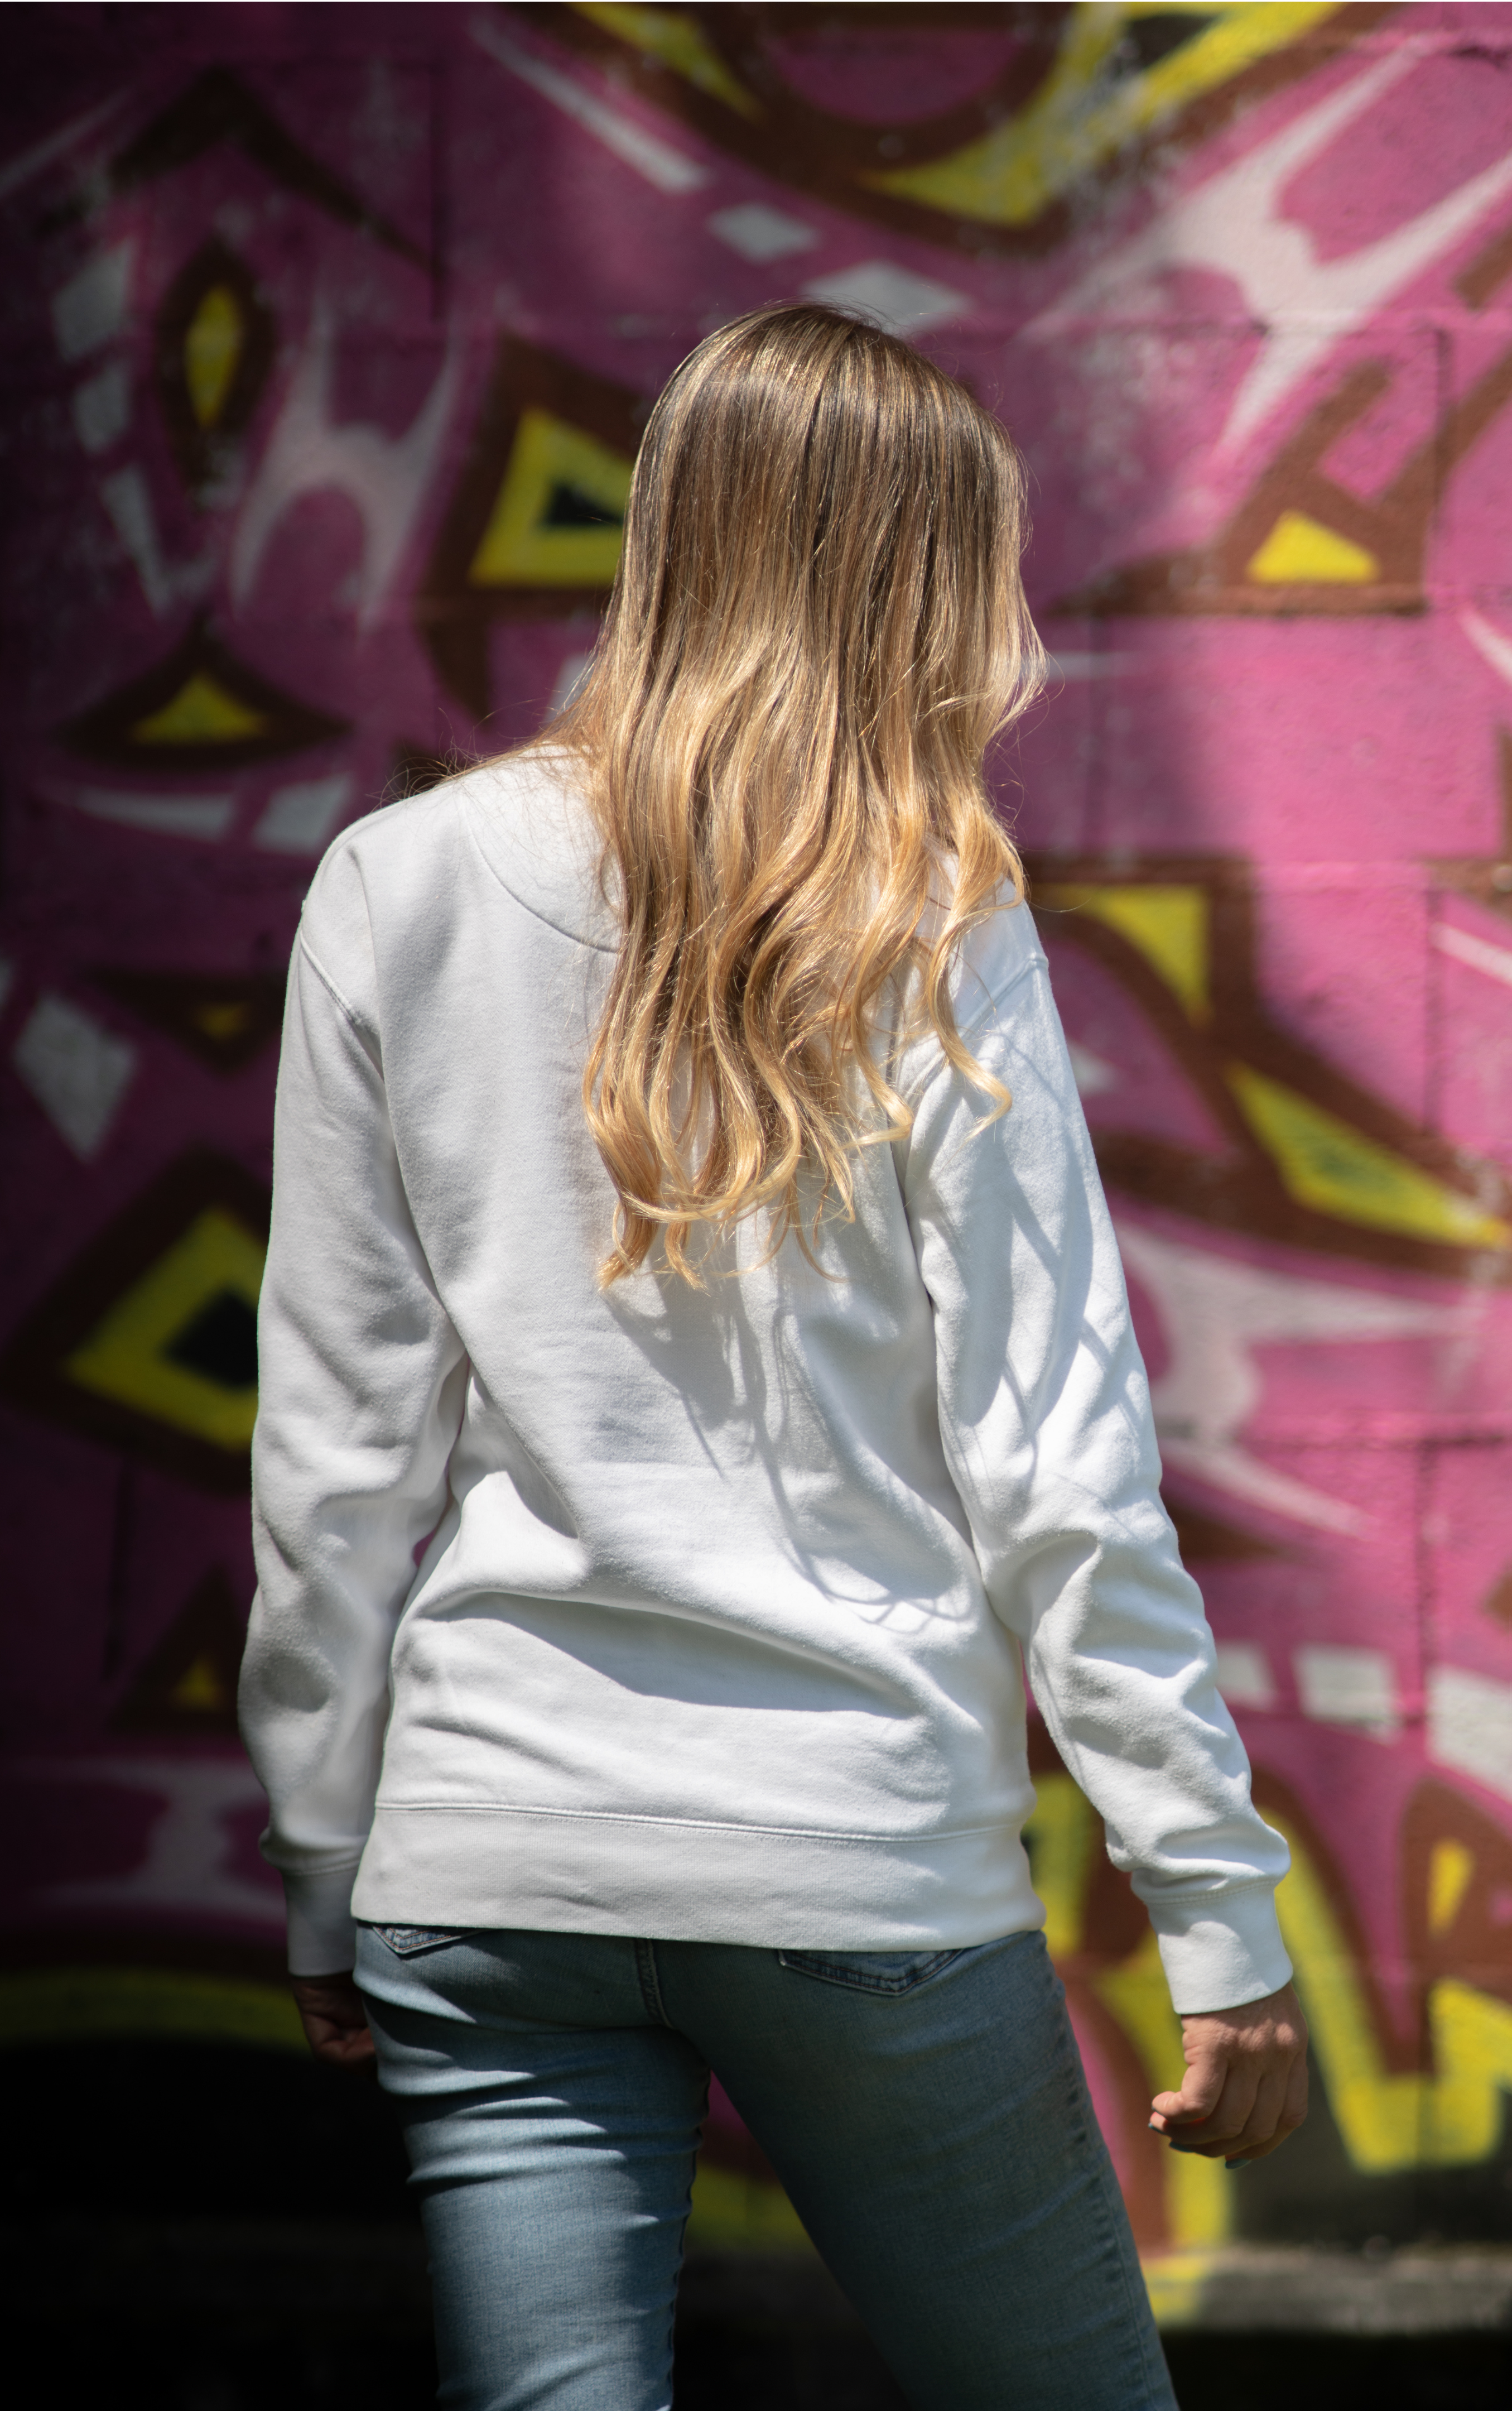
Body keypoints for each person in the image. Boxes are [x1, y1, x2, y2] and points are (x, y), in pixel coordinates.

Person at [240, 302, 1307, 2411]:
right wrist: (1217, 1911)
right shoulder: (932, 913)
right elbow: (1062, 1462)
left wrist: (320, 1851)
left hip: (487, 1865)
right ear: (915, 582)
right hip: (857, 1856)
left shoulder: (397, 882)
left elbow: (338, 1448)